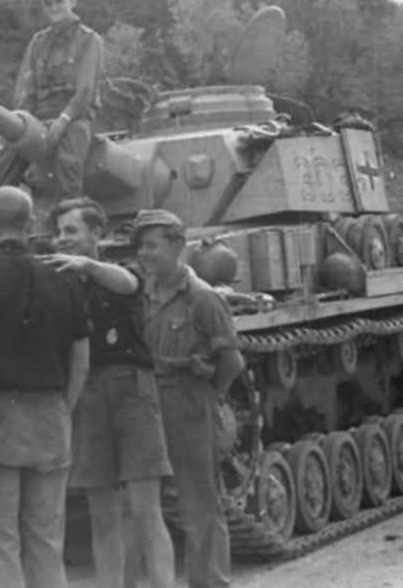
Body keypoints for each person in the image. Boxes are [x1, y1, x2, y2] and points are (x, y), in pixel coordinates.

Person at [0, 186, 91, 588]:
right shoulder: (65, 276)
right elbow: (81, 363)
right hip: (50, 420)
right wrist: (61, 409)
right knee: (45, 545)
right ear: (29, 225)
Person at [46, 198, 175, 588]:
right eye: (58, 233)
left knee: (145, 509)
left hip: (131, 390)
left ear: (96, 234)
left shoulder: (122, 270)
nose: (61, 240)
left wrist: (86, 265)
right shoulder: (61, 282)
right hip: (86, 393)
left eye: (71, 231)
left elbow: (129, 283)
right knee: (101, 513)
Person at [133, 210, 244, 588]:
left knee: (199, 504)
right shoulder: (143, 293)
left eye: (153, 245)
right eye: (141, 246)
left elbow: (232, 360)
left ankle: (211, 582)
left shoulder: (202, 298)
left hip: (188, 403)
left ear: (178, 246)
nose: (145, 253)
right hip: (148, 403)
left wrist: (210, 395)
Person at [0, 0, 105, 205]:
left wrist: (62, 121)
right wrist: (23, 122)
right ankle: (2, 222)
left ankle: (71, 213)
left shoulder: (89, 40)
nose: (54, 8)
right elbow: (26, 89)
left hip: (74, 118)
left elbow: (85, 90)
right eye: (48, 4)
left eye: (59, 1)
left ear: (72, 0)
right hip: (39, 118)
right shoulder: (38, 42)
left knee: (67, 165)